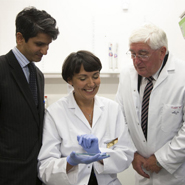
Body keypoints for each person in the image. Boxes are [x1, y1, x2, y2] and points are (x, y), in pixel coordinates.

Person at [38, 50, 135, 185]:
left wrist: (99, 153)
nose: (91, 84)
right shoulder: (55, 113)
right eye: (83, 78)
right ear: (70, 80)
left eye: (95, 76)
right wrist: (70, 162)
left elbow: (126, 154)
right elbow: (45, 168)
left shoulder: (112, 109)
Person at [116, 23, 185, 185]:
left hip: (176, 173)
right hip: (142, 170)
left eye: (143, 54)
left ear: (162, 52)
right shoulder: (127, 75)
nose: (136, 61)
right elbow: (120, 119)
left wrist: (162, 159)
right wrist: (132, 154)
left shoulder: (182, 76)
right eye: (132, 54)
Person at [0, 7, 59, 185]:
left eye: (48, 45)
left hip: (35, 174)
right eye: (39, 44)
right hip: (7, 174)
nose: (45, 51)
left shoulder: (38, 75)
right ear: (20, 38)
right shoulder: (1, 69)